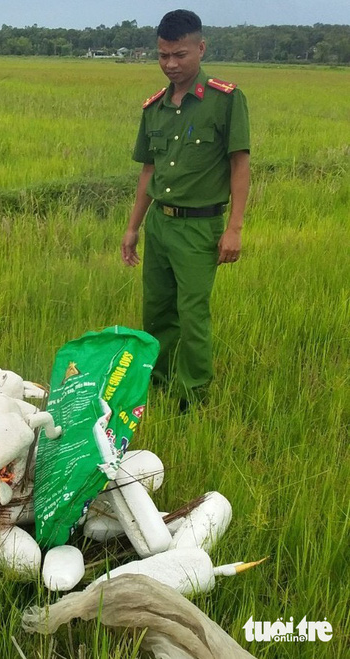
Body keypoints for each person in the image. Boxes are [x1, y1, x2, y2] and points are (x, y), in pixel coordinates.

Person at [120, 9, 250, 407]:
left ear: (201, 48)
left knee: (192, 314)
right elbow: (149, 170)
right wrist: (133, 227)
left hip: (199, 226)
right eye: (163, 56)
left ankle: (193, 395)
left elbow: (239, 164)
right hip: (160, 223)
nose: (171, 65)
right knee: (157, 310)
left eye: (180, 55)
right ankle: (157, 384)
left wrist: (235, 228)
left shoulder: (224, 100)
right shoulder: (154, 107)